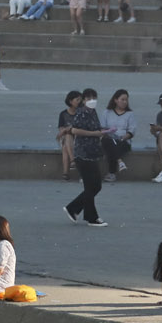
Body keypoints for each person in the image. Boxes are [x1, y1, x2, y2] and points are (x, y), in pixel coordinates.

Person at [63, 87, 110, 226]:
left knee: (96, 186)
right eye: (89, 99)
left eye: (94, 98)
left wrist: (103, 131)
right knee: (90, 186)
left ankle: (73, 208)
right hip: (82, 154)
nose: (92, 101)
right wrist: (94, 134)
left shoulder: (93, 112)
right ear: (83, 100)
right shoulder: (81, 113)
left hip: (92, 154)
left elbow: (95, 128)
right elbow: (74, 130)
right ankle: (91, 217)